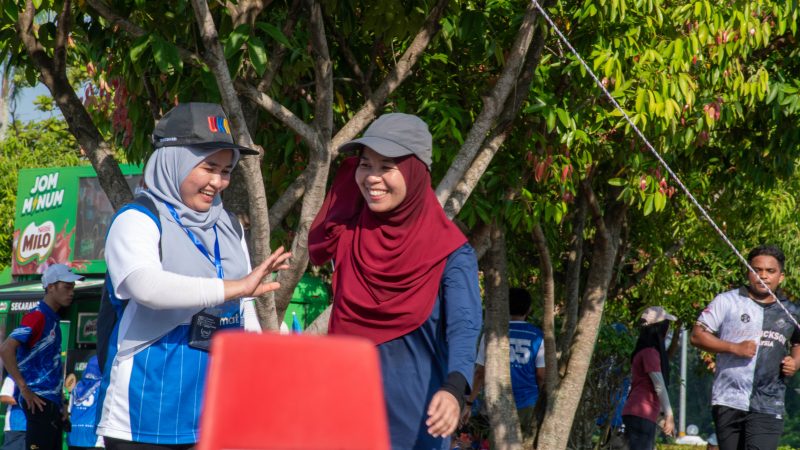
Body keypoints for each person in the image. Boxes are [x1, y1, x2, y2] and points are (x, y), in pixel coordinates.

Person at [96, 102, 291, 449]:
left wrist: (270, 349)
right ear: (174, 161)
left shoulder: (229, 226)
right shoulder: (137, 218)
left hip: (218, 412)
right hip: (145, 411)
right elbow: (145, 286)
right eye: (208, 167)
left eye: (226, 170)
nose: (218, 182)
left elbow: (244, 306)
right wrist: (234, 288)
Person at [309, 113, 482, 449]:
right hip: (343, 421)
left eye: (386, 166)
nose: (372, 177)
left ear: (415, 171)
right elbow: (323, 233)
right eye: (365, 164)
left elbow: (464, 327)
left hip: (415, 427)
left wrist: (454, 388)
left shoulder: (450, 253)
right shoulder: (348, 237)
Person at [690, 244, 800, 450]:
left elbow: (798, 343)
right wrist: (734, 348)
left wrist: (795, 361)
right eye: (756, 270)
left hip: (769, 402)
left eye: (770, 271)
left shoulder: (791, 310)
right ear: (748, 272)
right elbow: (697, 335)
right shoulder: (727, 301)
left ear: (781, 277)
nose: (763, 276)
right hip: (728, 399)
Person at [0, 263, 83, 450]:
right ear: (51, 287)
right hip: (37, 401)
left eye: (73, 288)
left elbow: (51, 367)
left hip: (51, 403)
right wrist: (24, 388)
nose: (71, 293)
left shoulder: (52, 319)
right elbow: (6, 349)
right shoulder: (37, 316)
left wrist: (61, 403)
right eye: (67, 287)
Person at [462, 288, 545, 436]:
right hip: (529, 403)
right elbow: (541, 376)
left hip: (497, 405)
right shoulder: (537, 336)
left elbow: (480, 373)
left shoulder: (491, 334)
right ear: (529, 309)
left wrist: (469, 403)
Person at [621, 306, 676, 450]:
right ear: (660, 328)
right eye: (667, 325)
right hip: (640, 415)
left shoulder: (645, 351)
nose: (669, 329)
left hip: (640, 414)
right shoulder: (649, 353)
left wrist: (661, 418)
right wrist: (669, 415)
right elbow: (659, 386)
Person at [67, 355, 103, 450]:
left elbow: (69, 410)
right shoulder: (103, 387)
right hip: (93, 436)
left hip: (74, 435)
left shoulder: (76, 387)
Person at [0, 376, 26, 450]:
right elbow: (4, 397)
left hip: (39, 427)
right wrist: (26, 401)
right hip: (17, 426)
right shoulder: (12, 377)